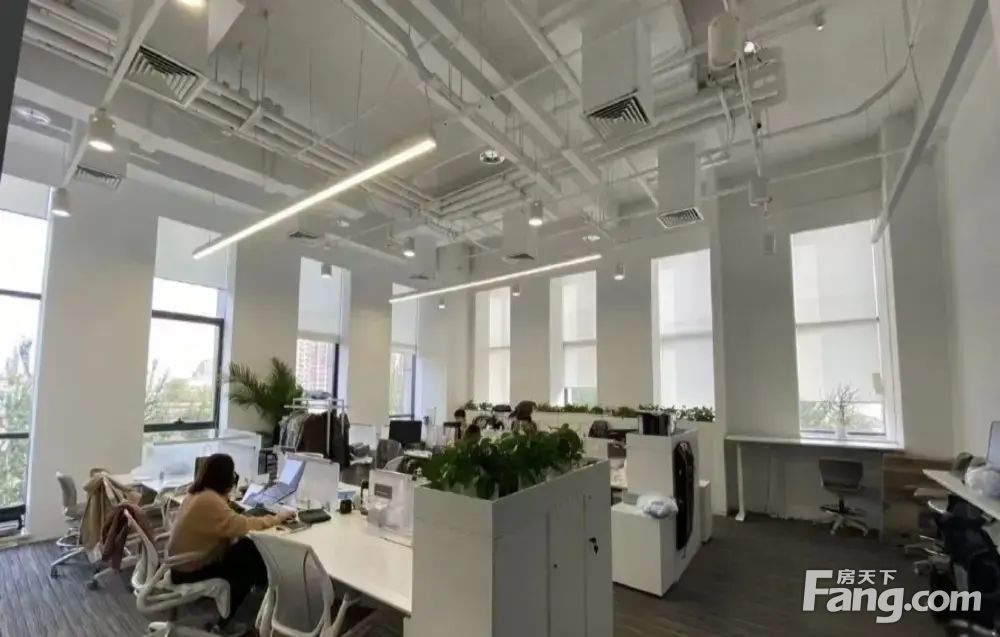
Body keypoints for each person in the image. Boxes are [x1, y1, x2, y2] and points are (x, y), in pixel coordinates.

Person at [167, 454, 293, 630]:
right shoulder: (209, 501)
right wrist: (278, 517)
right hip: (190, 569)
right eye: (232, 474)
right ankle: (226, 624)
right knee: (248, 557)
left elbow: (225, 521)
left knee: (245, 548)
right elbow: (244, 525)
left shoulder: (196, 493)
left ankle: (262, 598)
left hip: (179, 565)